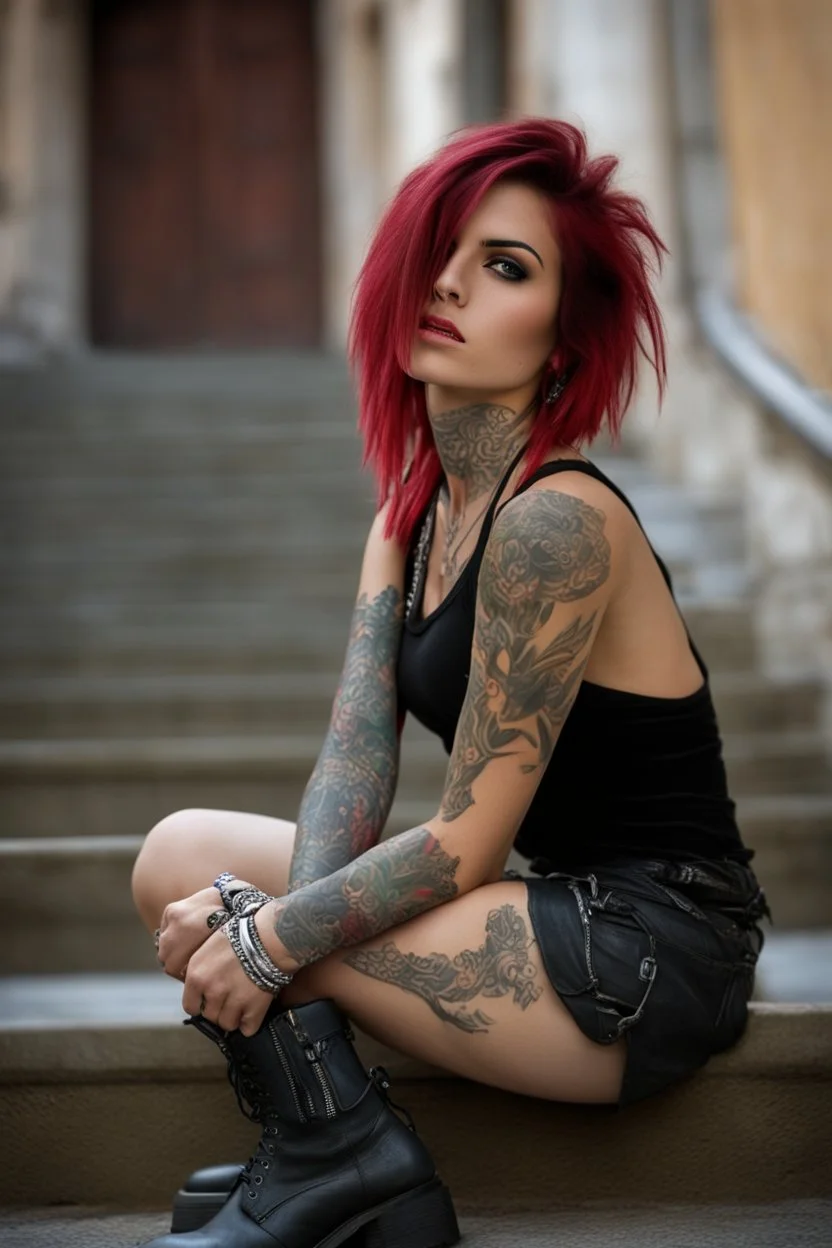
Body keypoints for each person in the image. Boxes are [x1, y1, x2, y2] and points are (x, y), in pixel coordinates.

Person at [131, 118, 769, 1248]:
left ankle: (340, 1154)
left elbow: (464, 846)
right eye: (442, 246)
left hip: (642, 959)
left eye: (506, 267)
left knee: (231, 910)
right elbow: (355, 764)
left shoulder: (555, 521)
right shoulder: (413, 517)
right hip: (553, 914)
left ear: (562, 341)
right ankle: (334, 1142)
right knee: (182, 856)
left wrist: (270, 941)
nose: (451, 282)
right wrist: (263, 921)